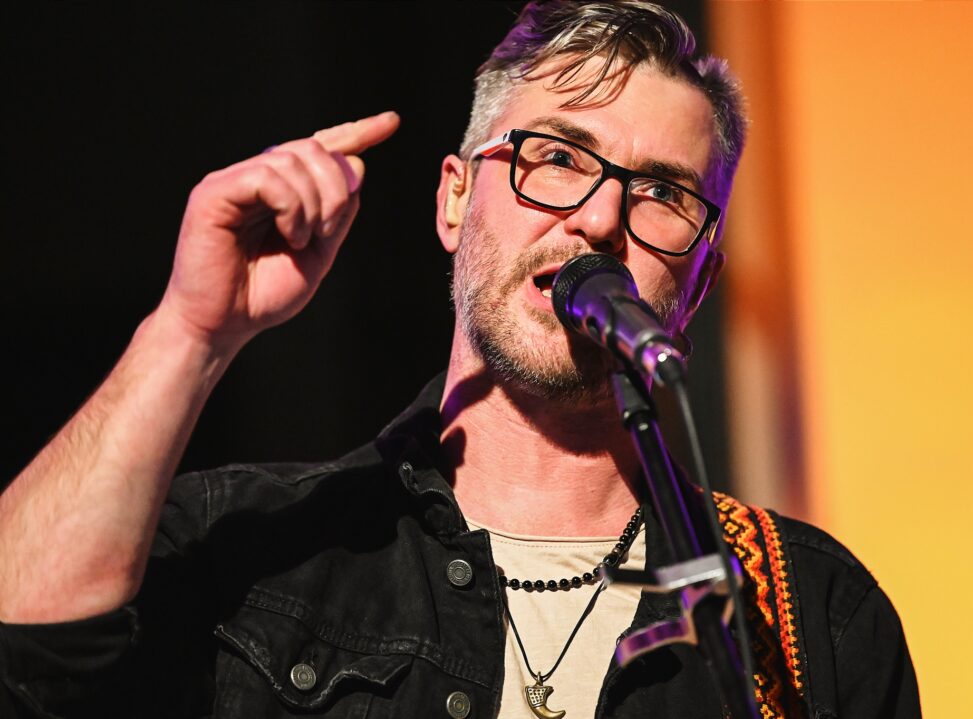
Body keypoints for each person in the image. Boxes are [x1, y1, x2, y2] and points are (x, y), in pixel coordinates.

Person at [0, 2, 919, 717]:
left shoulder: (809, 615)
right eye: (558, 157)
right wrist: (190, 331)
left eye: (662, 193)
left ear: (700, 280)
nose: (601, 217)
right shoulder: (248, 548)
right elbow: (26, 654)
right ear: (454, 200)